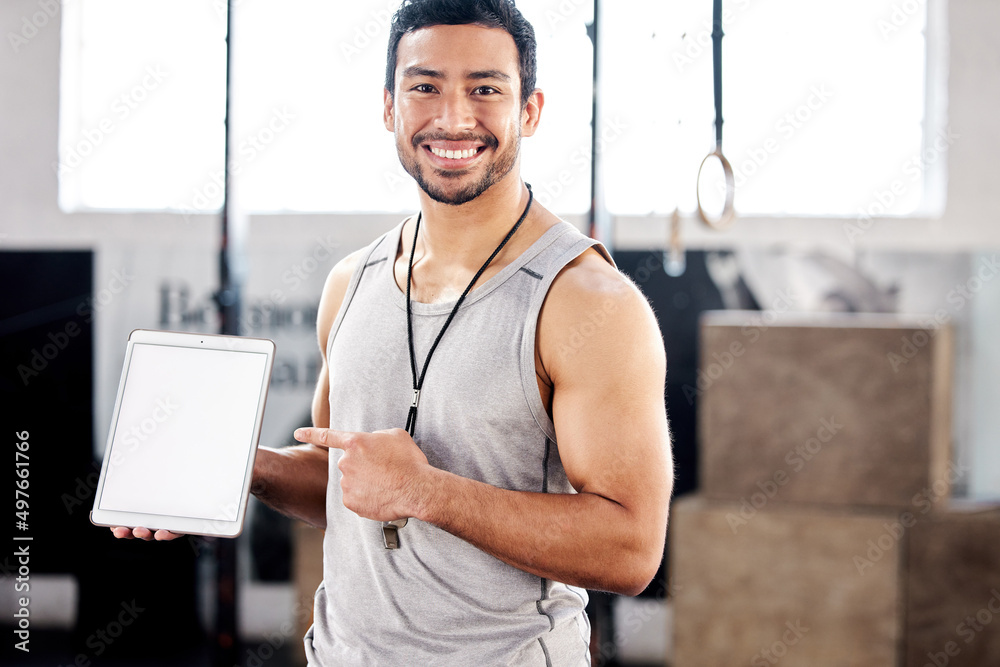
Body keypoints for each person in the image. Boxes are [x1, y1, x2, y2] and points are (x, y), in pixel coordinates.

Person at [112, 0, 673, 664]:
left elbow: (631, 548)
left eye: (485, 89)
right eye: (425, 87)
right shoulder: (353, 282)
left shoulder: (585, 302)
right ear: (389, 108)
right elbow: (344, 480)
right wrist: (237, 467)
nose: (454, 117)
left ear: (531, 110)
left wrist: (430, 491)